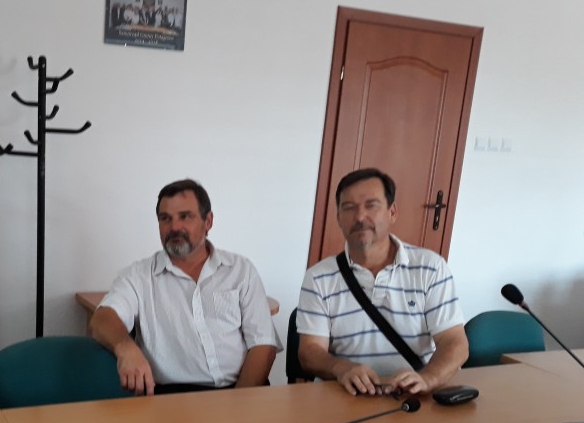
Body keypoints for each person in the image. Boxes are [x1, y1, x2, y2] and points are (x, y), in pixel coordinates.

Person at [90, 179, 280, 396]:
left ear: (208, 221)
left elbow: (263, 344)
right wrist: (126, 348)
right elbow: (101, 320)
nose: (174, 227)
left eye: (185, 216)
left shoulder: (240, 270)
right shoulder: (139, 276)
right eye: (165, 218)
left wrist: (238, 404)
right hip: (173, 398)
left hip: (242, 392)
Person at [296, 168, 468, 396]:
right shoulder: (318, 277)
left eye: (371, 205)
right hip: (346, 394)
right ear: (338, 217)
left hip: (414, 395)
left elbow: (455, 343)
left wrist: (428, 379)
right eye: (349, 208)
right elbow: (309, 351)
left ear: (392, 212)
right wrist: (340, 368)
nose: (359, 217)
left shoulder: (430, 268)